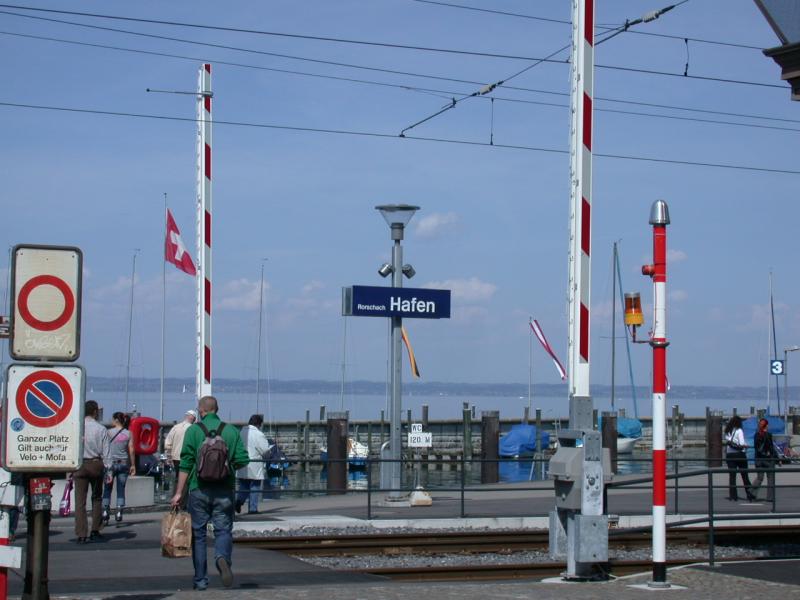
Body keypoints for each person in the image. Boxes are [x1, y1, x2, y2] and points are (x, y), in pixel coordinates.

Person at [170, 396, 249, 590]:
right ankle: (222, 558)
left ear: (200, 411)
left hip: (199, 488)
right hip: (224, 488)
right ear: (217, 409)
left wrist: (179, 492)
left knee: (198, 535)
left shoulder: (194, 431)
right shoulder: (230, 430)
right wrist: (227, 466)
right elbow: (242, 459)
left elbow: (186, 463)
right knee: (223, 530)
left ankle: (201, 580)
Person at [73, 400, 111, 543]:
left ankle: (81, 533)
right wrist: (109, 470)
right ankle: (96, 529)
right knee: (96, 498)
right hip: (96, 464)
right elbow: (106, 452)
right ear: (95, 412)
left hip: (80, 464)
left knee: (80, 501)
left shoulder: (78, 427)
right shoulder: (100, 429)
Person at [102, 412, 136, 524]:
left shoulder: (108, 433)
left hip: (110, 465)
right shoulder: (129, 433)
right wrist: (133, 465)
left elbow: (104, 448)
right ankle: (119, 510)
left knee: (107, 489)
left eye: (112, 418)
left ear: (116, 420)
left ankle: (105, 511)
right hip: (123, 464)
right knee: (121, 489)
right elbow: (131, 449)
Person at [235, 415, 273, 515]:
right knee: (255, 486)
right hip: (254, 464)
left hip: (242, 463)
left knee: (244, 485)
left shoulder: (241, 432)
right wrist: (269, 451)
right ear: (258, 424)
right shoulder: (258, 434)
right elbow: (264, 450)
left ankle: (239, 501)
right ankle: (252, 509)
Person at [723, 415, 755, 502]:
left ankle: (733, 496)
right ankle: (750, 494)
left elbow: (729, 442)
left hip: (730, 456)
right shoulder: (739, 430)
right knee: (744, 476)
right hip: (740, 455)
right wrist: (746, 445)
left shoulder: (727, 431)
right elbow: (741, 443)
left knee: (732, 477)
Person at [751, 418, 779, 502]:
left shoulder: (756, 435)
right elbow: (771, 448)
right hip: (768, 459)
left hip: (758, 459)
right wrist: (777, 458)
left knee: (759, 478)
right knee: (770, 478)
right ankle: (770, 497)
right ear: (766, 425)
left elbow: (756, 447)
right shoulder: (768, 435)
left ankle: (751, 492)